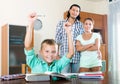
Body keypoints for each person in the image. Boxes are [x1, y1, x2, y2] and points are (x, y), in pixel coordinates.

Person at [55, 4, 84, 73]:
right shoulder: (61, 23)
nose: (75, 12)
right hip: (64, 56)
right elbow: (57, 40)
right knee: (64, 78)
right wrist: (56, 55)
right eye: (73, 10)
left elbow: (82, 41)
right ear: (69, 10)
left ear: (79, 13)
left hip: (77, 57)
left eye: (77, 11)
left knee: (75, 79)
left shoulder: (81, 25)